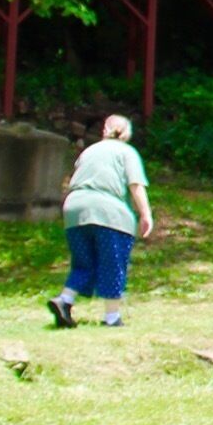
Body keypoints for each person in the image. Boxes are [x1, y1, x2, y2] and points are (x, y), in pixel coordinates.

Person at [48, 113, 153, 329]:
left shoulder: (89, 151)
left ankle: (65, 300)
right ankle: (112, 317)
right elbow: (135, 185)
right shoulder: (127, 152)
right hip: (109, 212)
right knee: (114, 263)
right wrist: (145, 214)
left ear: (105, 130)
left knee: (83, 263)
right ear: (126, 134)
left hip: (75, 209)